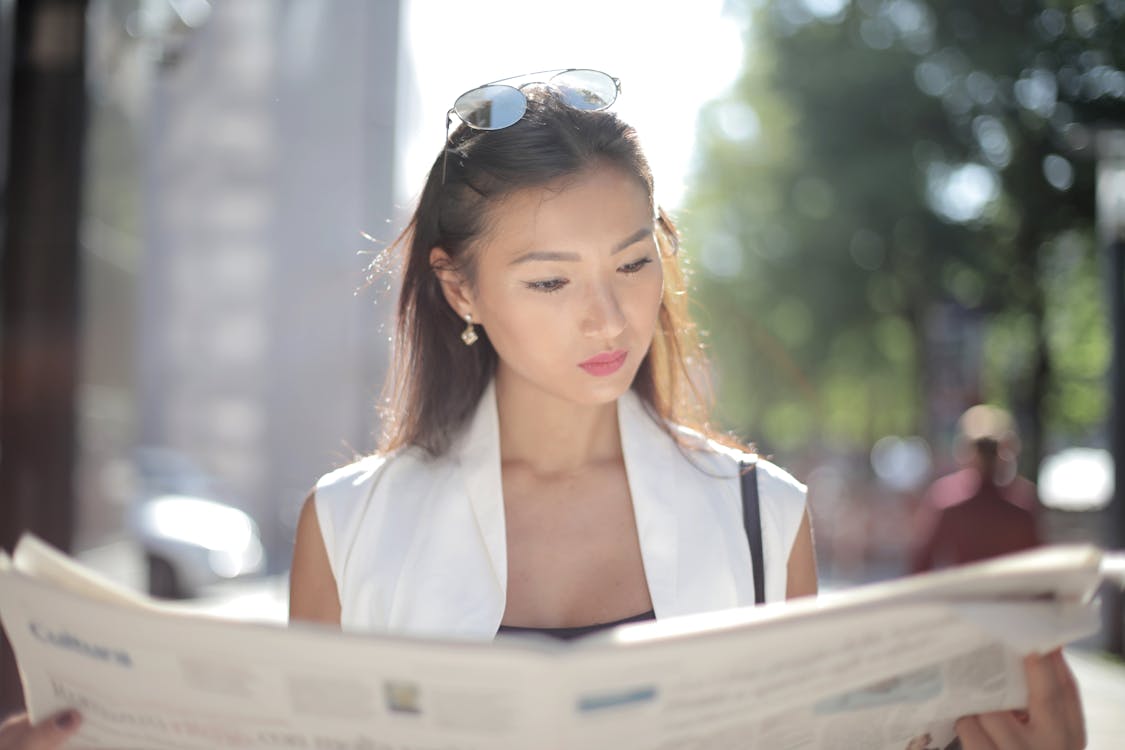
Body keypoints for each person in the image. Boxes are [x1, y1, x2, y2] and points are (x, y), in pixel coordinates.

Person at [0, 70, 1085, 749]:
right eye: (551, 280)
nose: (609, 316)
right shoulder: (348, 525)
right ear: (460, 289)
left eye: (630, 261)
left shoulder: (767, 515)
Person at [911, 405, 1042, 573]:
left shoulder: (947, 501)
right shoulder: (1022, 504)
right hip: (1003, 597)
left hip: (968, 596)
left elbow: (921, 564)